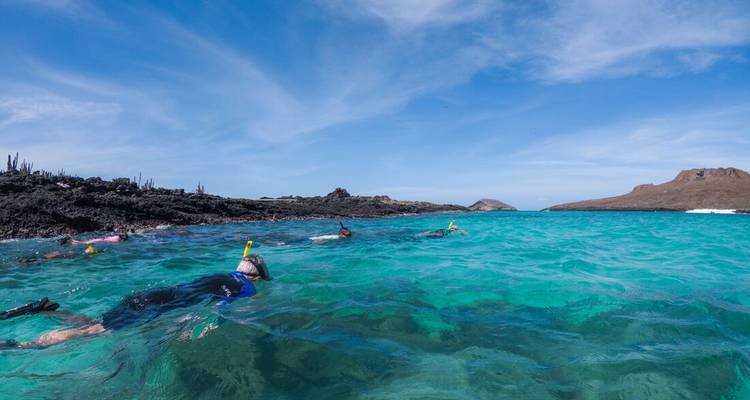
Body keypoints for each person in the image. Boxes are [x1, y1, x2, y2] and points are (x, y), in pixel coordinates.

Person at [1, 255, 272, 349]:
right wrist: (208, 328)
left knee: (98, 323)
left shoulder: (221, 273)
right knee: (93, 333)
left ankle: (48, 310)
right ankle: (23, 345)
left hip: (150, 296)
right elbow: (222, 307)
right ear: (257, 277)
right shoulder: (245, 286)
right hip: (157, 306)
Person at [60, 231, 128, 245]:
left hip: (99, 239)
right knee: (83, 243)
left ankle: (69, 241)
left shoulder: (116, 236)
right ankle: (70, 240)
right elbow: (113, 242)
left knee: (83, 242)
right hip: (99, 241)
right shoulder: (117, 239)